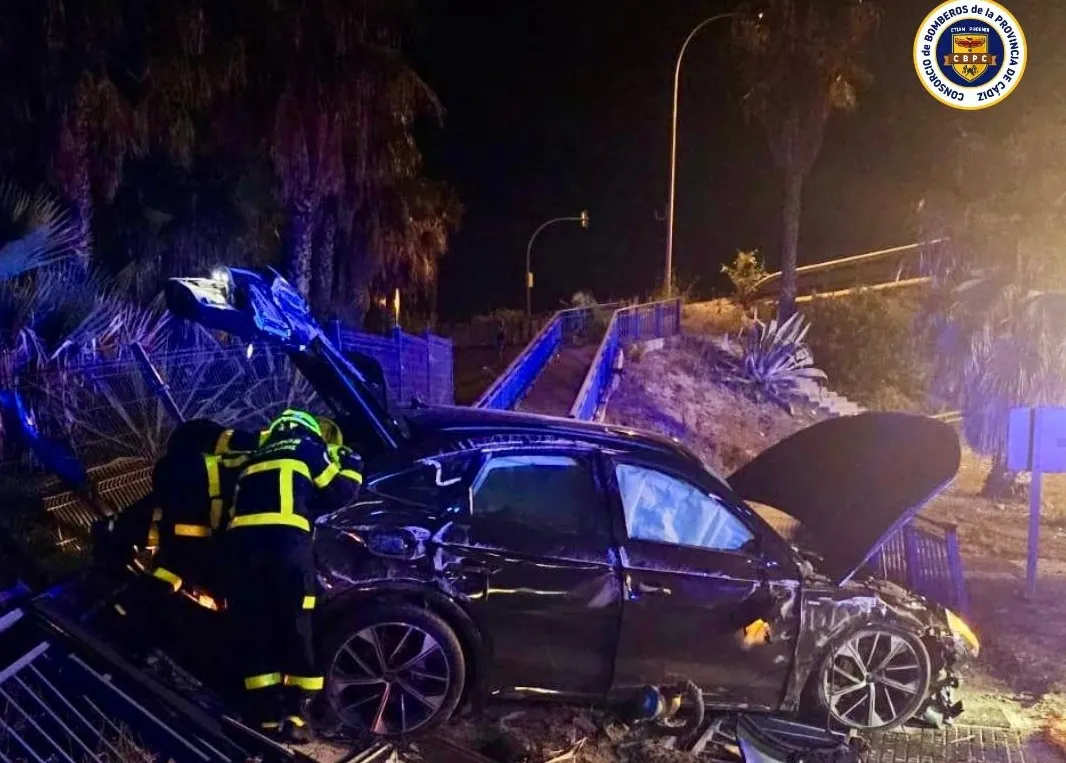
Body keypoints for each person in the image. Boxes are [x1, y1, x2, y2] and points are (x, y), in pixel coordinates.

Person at [223, 408, 363, 743]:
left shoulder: (254, 456)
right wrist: (352, 464)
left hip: (242, 550)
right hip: (285, 547)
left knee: (256, 626)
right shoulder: (307, 448)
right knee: (296, 624)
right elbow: (339, 492)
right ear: (310, 431)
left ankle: (265, 716)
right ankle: (300, 714)